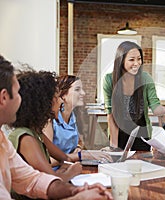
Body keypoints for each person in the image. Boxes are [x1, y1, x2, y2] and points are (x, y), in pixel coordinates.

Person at [0, 55, 112, 199]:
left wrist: (75, 191)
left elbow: (34, 181)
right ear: (4, 97)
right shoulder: (24, 136)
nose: (20, 99)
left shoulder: (5, 141)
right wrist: (78, 195)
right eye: (16, 93)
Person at [103, 41, 165, 151]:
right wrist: (113, 147)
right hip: (119, 134)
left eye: (139, 59)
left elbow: (155, 107)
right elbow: (111, 115)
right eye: (132, 59)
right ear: (121, 60)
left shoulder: (145, 78)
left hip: (141, 133)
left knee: (142, 164)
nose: (137, 63)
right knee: (119, 164)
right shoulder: (109, 80)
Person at [8, 70, 82, 184]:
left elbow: (65, 158)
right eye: (58, 97)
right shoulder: (26, 137)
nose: (61, 101)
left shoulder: (37, 132)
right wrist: (72, 171)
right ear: (44, 103)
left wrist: (67, 165)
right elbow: (52, 180)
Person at [44, 75, 112, 168]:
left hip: (70, 169)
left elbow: (79, 141)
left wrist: (78, 148)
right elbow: (47, 161)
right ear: (63, 95)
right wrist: (79, 156)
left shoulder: (73, 116)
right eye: (77, 89)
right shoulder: (49, 121)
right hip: (55, 173)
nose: (83, 93)